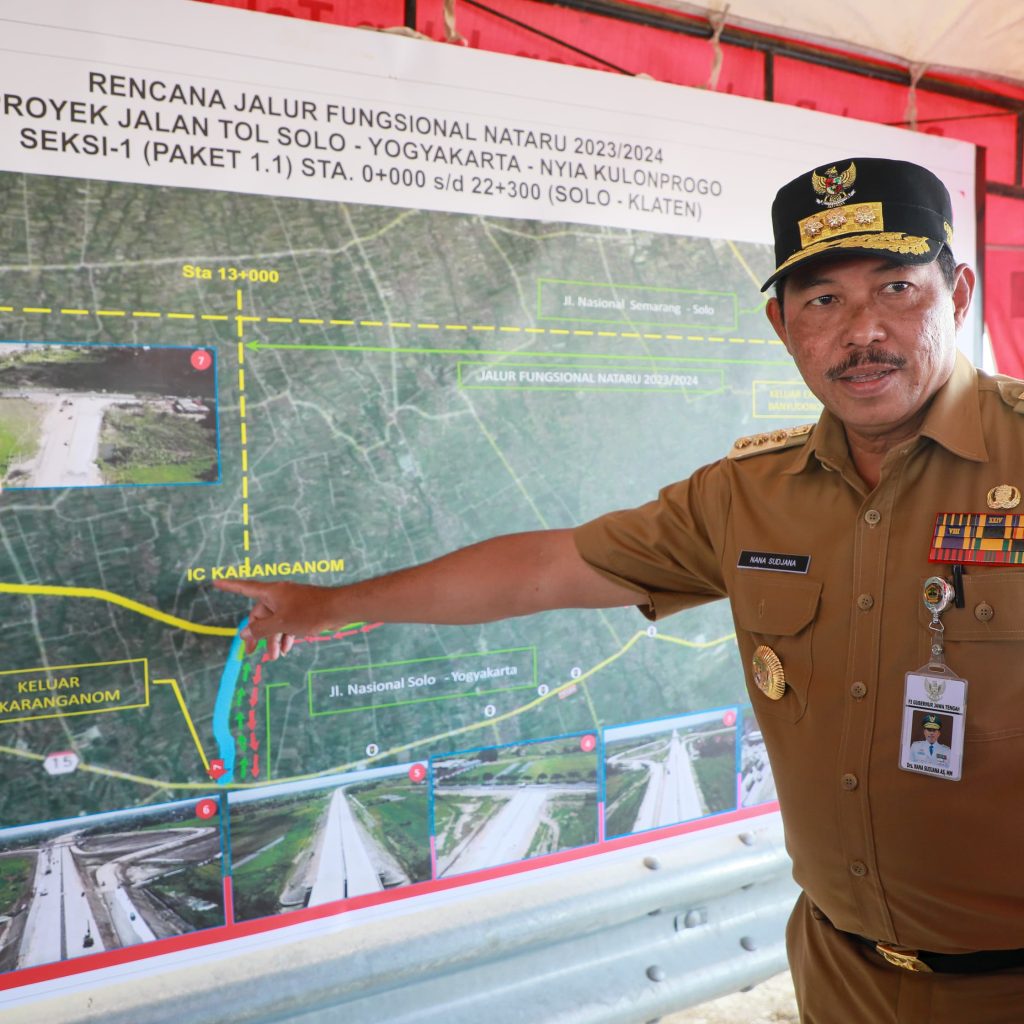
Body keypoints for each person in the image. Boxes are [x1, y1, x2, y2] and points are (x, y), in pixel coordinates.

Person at [217, 157, 1024, 1023]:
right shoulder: (749, 493)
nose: (863, 330)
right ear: (782, 324)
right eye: (823, 300)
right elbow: (547, 568)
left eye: (898, 287)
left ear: (961, 292)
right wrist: (327, 604)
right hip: (840, 970)